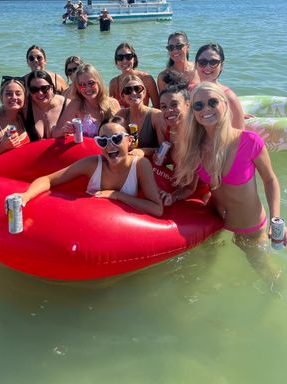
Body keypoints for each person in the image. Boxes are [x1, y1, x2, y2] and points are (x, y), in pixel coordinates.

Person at [173, 82, 286, 270]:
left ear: (224, 104)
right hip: (216, 222)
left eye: (212, 102)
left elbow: (270, 180)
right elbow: (191, 187)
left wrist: (277, 220)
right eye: (198, 105)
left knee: (267, 275)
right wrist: (174, 195)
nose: (206, 109)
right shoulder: (194, 148)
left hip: (250, 228)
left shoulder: (249, 142)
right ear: (193, 112)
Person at [14, 116, 163, 217]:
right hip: (90, 224)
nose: (110, 145)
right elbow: (48, 180)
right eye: (103, 141)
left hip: (121, 231)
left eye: (116, 139)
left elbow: (157, 208)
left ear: (130, 141)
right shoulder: (92, 164)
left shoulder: (140, 165)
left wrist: (117, 195)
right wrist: (26, 196)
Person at [52, 64, 120, 138]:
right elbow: (55, 133)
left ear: (98, 82)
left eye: (91, 83)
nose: (87, 88)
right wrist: (65, 129)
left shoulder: (113, 103)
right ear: (77, 87)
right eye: (82, 85)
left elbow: (122, 131)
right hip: (88, 149)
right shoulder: (76, 105)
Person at [191, 43, 245, 129]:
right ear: (195, 65)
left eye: (213, 62)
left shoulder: (230, 98)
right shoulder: (190, 91)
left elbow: (238, 135)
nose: (208, 67)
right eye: (202, 62)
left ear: (221, 66)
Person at [115, 75, 163, 157]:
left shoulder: (156, 115)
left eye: (137, 89)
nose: (133, 93)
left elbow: (163, 149)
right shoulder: (121, 115)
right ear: (123, 96)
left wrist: (142, 151)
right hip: (128, 163)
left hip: (151, 165)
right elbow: (114, 144)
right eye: (128, 90)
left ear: (144, 93)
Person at [109, 42, 159, 108]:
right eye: (120, 57)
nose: (124, 61)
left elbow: (157, 106)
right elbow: (111, 109)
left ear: (134, 59)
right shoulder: (114, 83)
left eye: (128, 56)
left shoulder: (147, 79)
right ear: (116, 61)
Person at [25, 70, 69, 141]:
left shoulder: (67, 105)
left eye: (44, 88)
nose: (40, 93)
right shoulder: (25, 107)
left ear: (51, 88)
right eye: (34, 89)